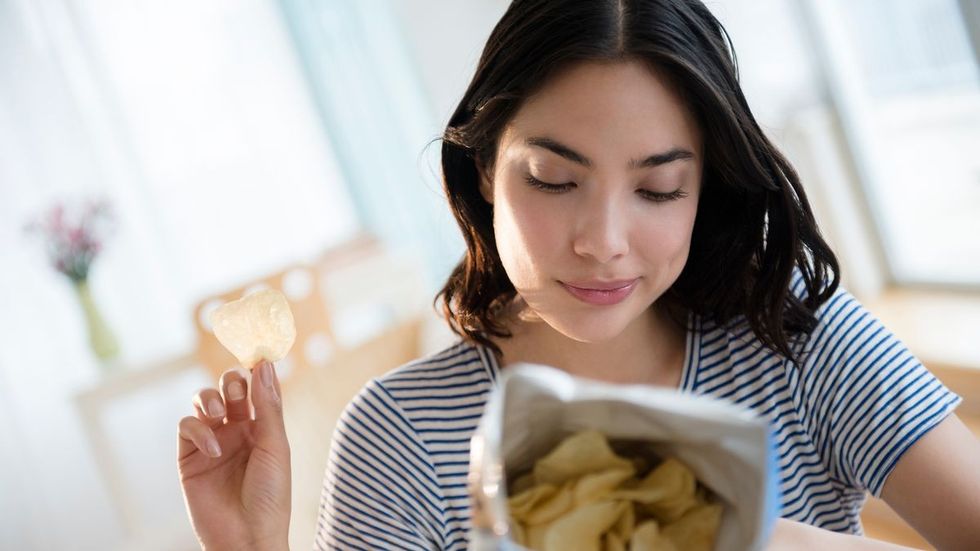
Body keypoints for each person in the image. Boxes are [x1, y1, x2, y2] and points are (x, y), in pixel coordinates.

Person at [177, 0, 980, 549]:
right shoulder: (401, 437)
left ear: (707, 187)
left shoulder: (798, 337)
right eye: (555, 181)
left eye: (658, 189)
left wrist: (769, 537)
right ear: (486, 168)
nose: (603, 241)